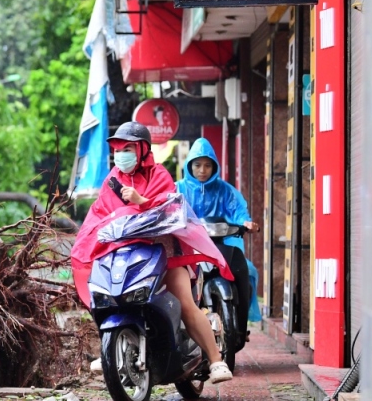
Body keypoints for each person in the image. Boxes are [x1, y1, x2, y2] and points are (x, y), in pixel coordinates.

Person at [72, 122, 234, 384]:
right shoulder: (111, 180)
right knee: (105, 296)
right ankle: (112, 349)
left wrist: (142, 202)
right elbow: (100, 214)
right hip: (125, 255)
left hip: (165, 253)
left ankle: (215, 360)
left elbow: (171, 209)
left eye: (128, 148)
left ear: (143, 149)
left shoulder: (160, 175)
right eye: (118, 149)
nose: (121, 154)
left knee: (184, 302)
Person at [176, 138, 262, 339]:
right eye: (197, 165)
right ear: (189, 166)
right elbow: (168, 209)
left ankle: (241, 327)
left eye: (207, 165)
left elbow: (239, 212)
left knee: (247, 270)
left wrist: (247, 223)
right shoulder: (178, 189)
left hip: (222, 246)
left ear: (215, 166)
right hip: (187, 248)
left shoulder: (226, 190)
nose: (202, 170)